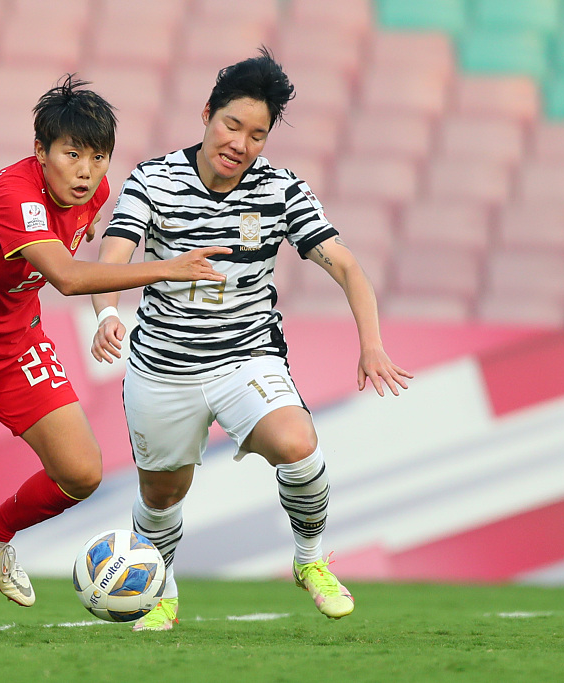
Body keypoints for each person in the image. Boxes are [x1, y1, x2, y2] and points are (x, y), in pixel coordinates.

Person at [0, 76, 230, 639]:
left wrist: (104, 298)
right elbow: (69, 277)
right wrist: (167, 267)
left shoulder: (88, 193)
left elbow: (85, 228)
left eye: (98, 158)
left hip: (15, 342)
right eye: (72, 155)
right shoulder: (14, 197)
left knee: (81, 471)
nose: (87, 172)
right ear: (40, 152)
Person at [90, 49, 413, 632]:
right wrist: (105, 314)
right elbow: (113, 256)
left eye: (256, 135)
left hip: (245, 356)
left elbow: (345, 266)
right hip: (163, 366)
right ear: (207, 115)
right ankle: (159, 589)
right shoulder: (154, 179)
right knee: (163, 496)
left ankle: (311, 559)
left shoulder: (280, 190)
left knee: (298, 444)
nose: (240, 143)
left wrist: (372, 344)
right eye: (232, 125)